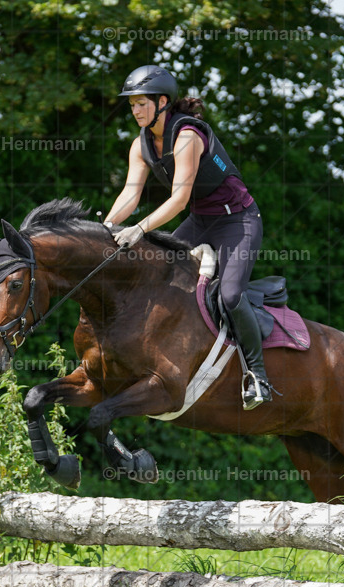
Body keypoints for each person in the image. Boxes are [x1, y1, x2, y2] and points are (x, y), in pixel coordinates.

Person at [104, 64, 275, 409]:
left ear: (162, 101)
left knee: (229, 294)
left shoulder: (186, 137)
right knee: (161, 273)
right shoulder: (140, 146)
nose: (135, 111)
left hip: (238, 220)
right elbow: (130, 194)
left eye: (141, 103)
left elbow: (178, 199)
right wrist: (106, 227)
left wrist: (139, 229)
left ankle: (258, 376)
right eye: (132, 104)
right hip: (201, 221)